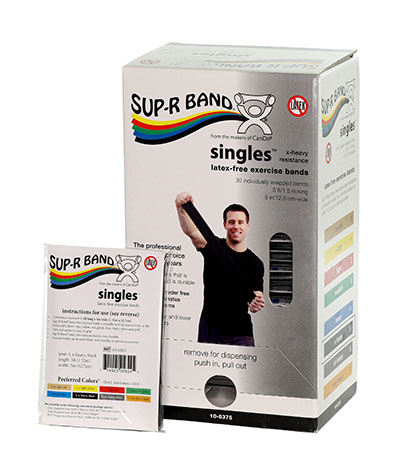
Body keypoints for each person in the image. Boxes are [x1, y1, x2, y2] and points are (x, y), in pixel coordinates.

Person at [175, 192, 265, 347]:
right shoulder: (213, 247)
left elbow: (256, 296)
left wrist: (256, 303)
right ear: (225, 225)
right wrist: (181, 208)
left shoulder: (255, 263)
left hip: (240, 331)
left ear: (247, 226)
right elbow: (192, 232)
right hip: (210, 327)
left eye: (240, 222)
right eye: (231, 222)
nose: (236, 226)